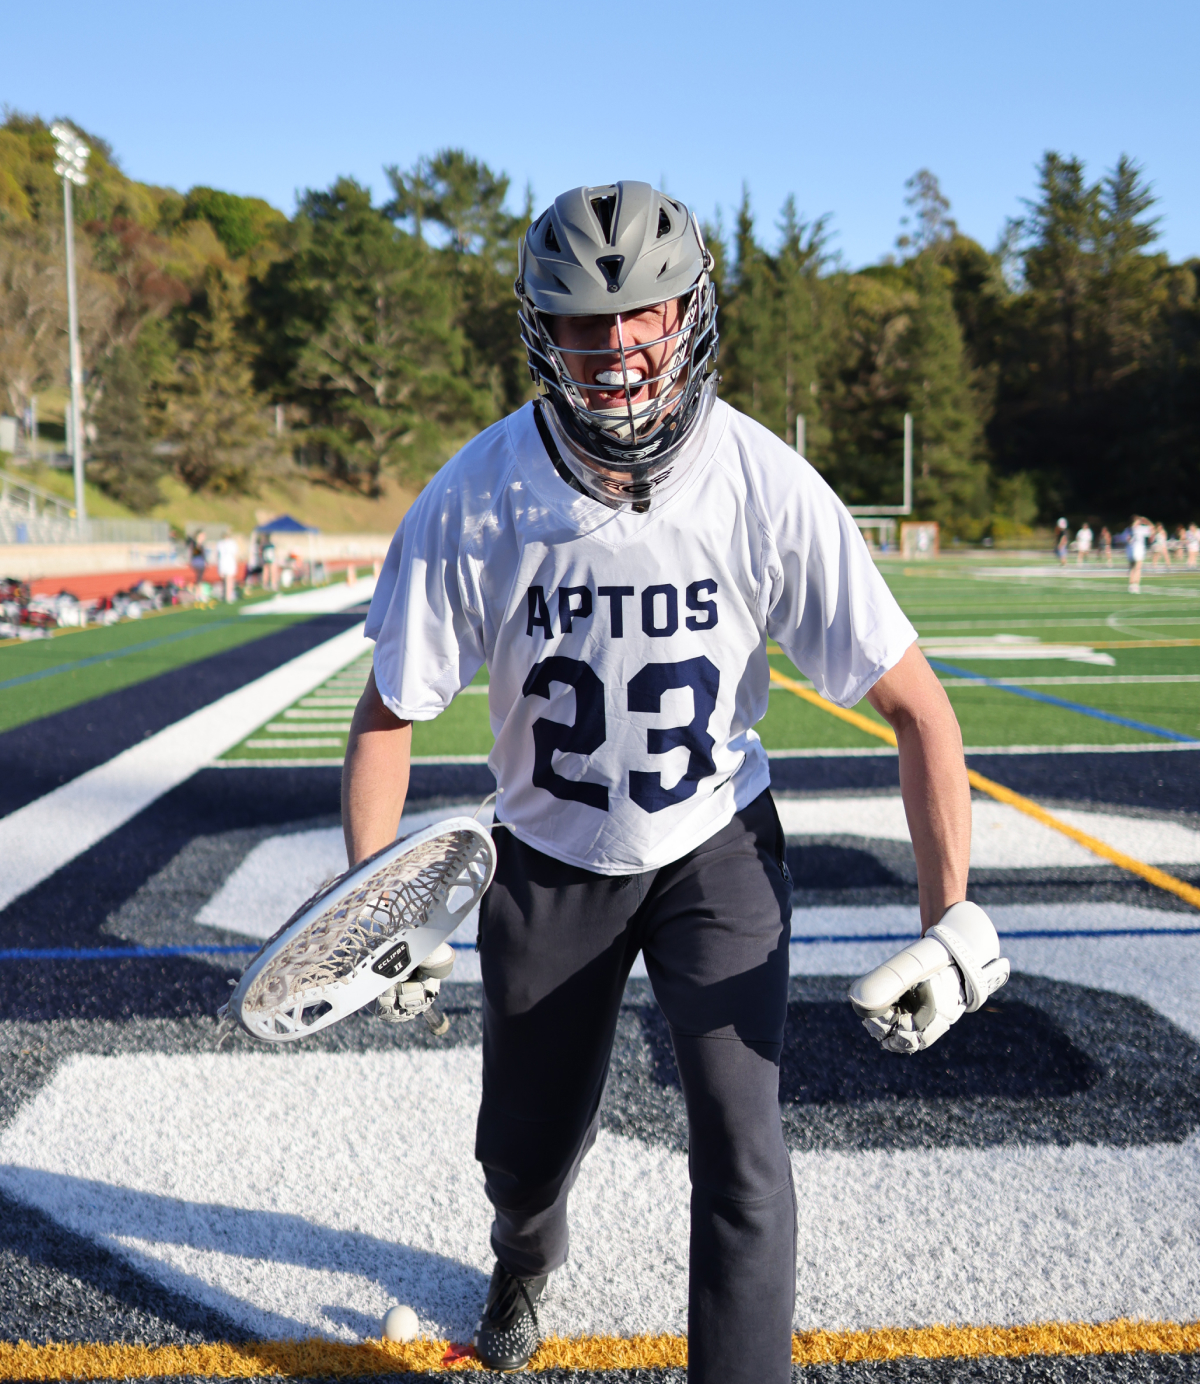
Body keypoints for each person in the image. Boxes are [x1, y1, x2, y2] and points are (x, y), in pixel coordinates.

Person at [343, 182, 973, 1384]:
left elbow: (920, 712)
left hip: (715, 846)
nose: (622, 344)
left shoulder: (764, 483)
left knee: (744, 1147)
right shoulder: (477, 494)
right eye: (587, 320)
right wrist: (380, 904)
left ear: (693, 311)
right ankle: (524, 1255)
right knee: (523, 1157)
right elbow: (391, 712)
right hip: (547, 856)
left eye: (646, 312)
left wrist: (952, 924)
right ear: (542, 330)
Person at [1127, 514, 1152, 593]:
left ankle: (1131, 585)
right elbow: (1152, 529)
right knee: (1138, 568)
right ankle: (1136, 585)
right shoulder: (1140, 529)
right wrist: (1147, 521)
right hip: (1138, 550)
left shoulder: (1129, 529)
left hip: (1130, 550)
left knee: (1132, 568)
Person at [215, 533, 240, 602]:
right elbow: (235, 554)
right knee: (228, 580)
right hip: (228, 563)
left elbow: (217, 555)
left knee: (227, 580)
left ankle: (227, 595)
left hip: (224, 563)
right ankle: (228, 596)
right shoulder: (230, 543)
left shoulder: (220, 543)